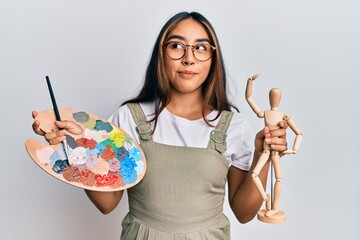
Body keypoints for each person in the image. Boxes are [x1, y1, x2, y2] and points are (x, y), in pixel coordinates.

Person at [32, 11, 288, 240]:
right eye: (176, 46)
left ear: (213, 58)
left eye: (200, 48)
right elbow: (107, 203)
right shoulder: (129, 118)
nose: (189, 58)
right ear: (161, 55)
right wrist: (78, 149)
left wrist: (261, 154)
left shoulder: (233, 126)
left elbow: (244, 213)